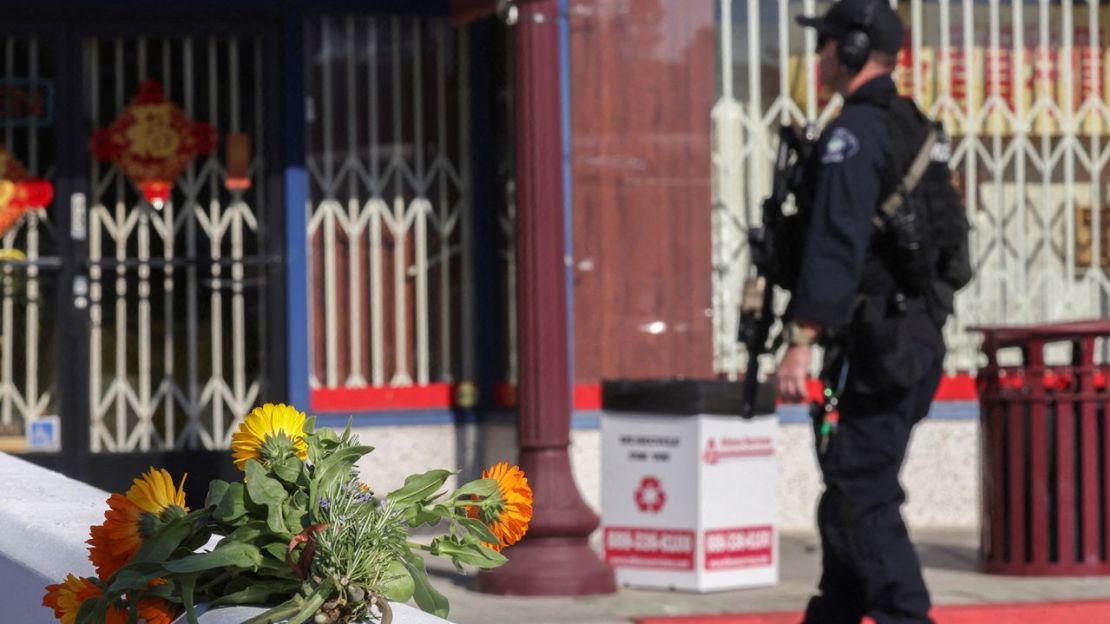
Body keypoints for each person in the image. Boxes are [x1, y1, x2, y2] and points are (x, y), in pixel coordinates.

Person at [775, 1, 966, 622]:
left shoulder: (857, 131)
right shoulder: (909, 122)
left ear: (853, 51)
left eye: (827, 45)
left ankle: (905, 614)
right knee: (849, 490)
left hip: (880, 345)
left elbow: (836, 239)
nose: (819, 56)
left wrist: (801, 335)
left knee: (861, 489)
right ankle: (840, 609)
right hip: (905, 338)